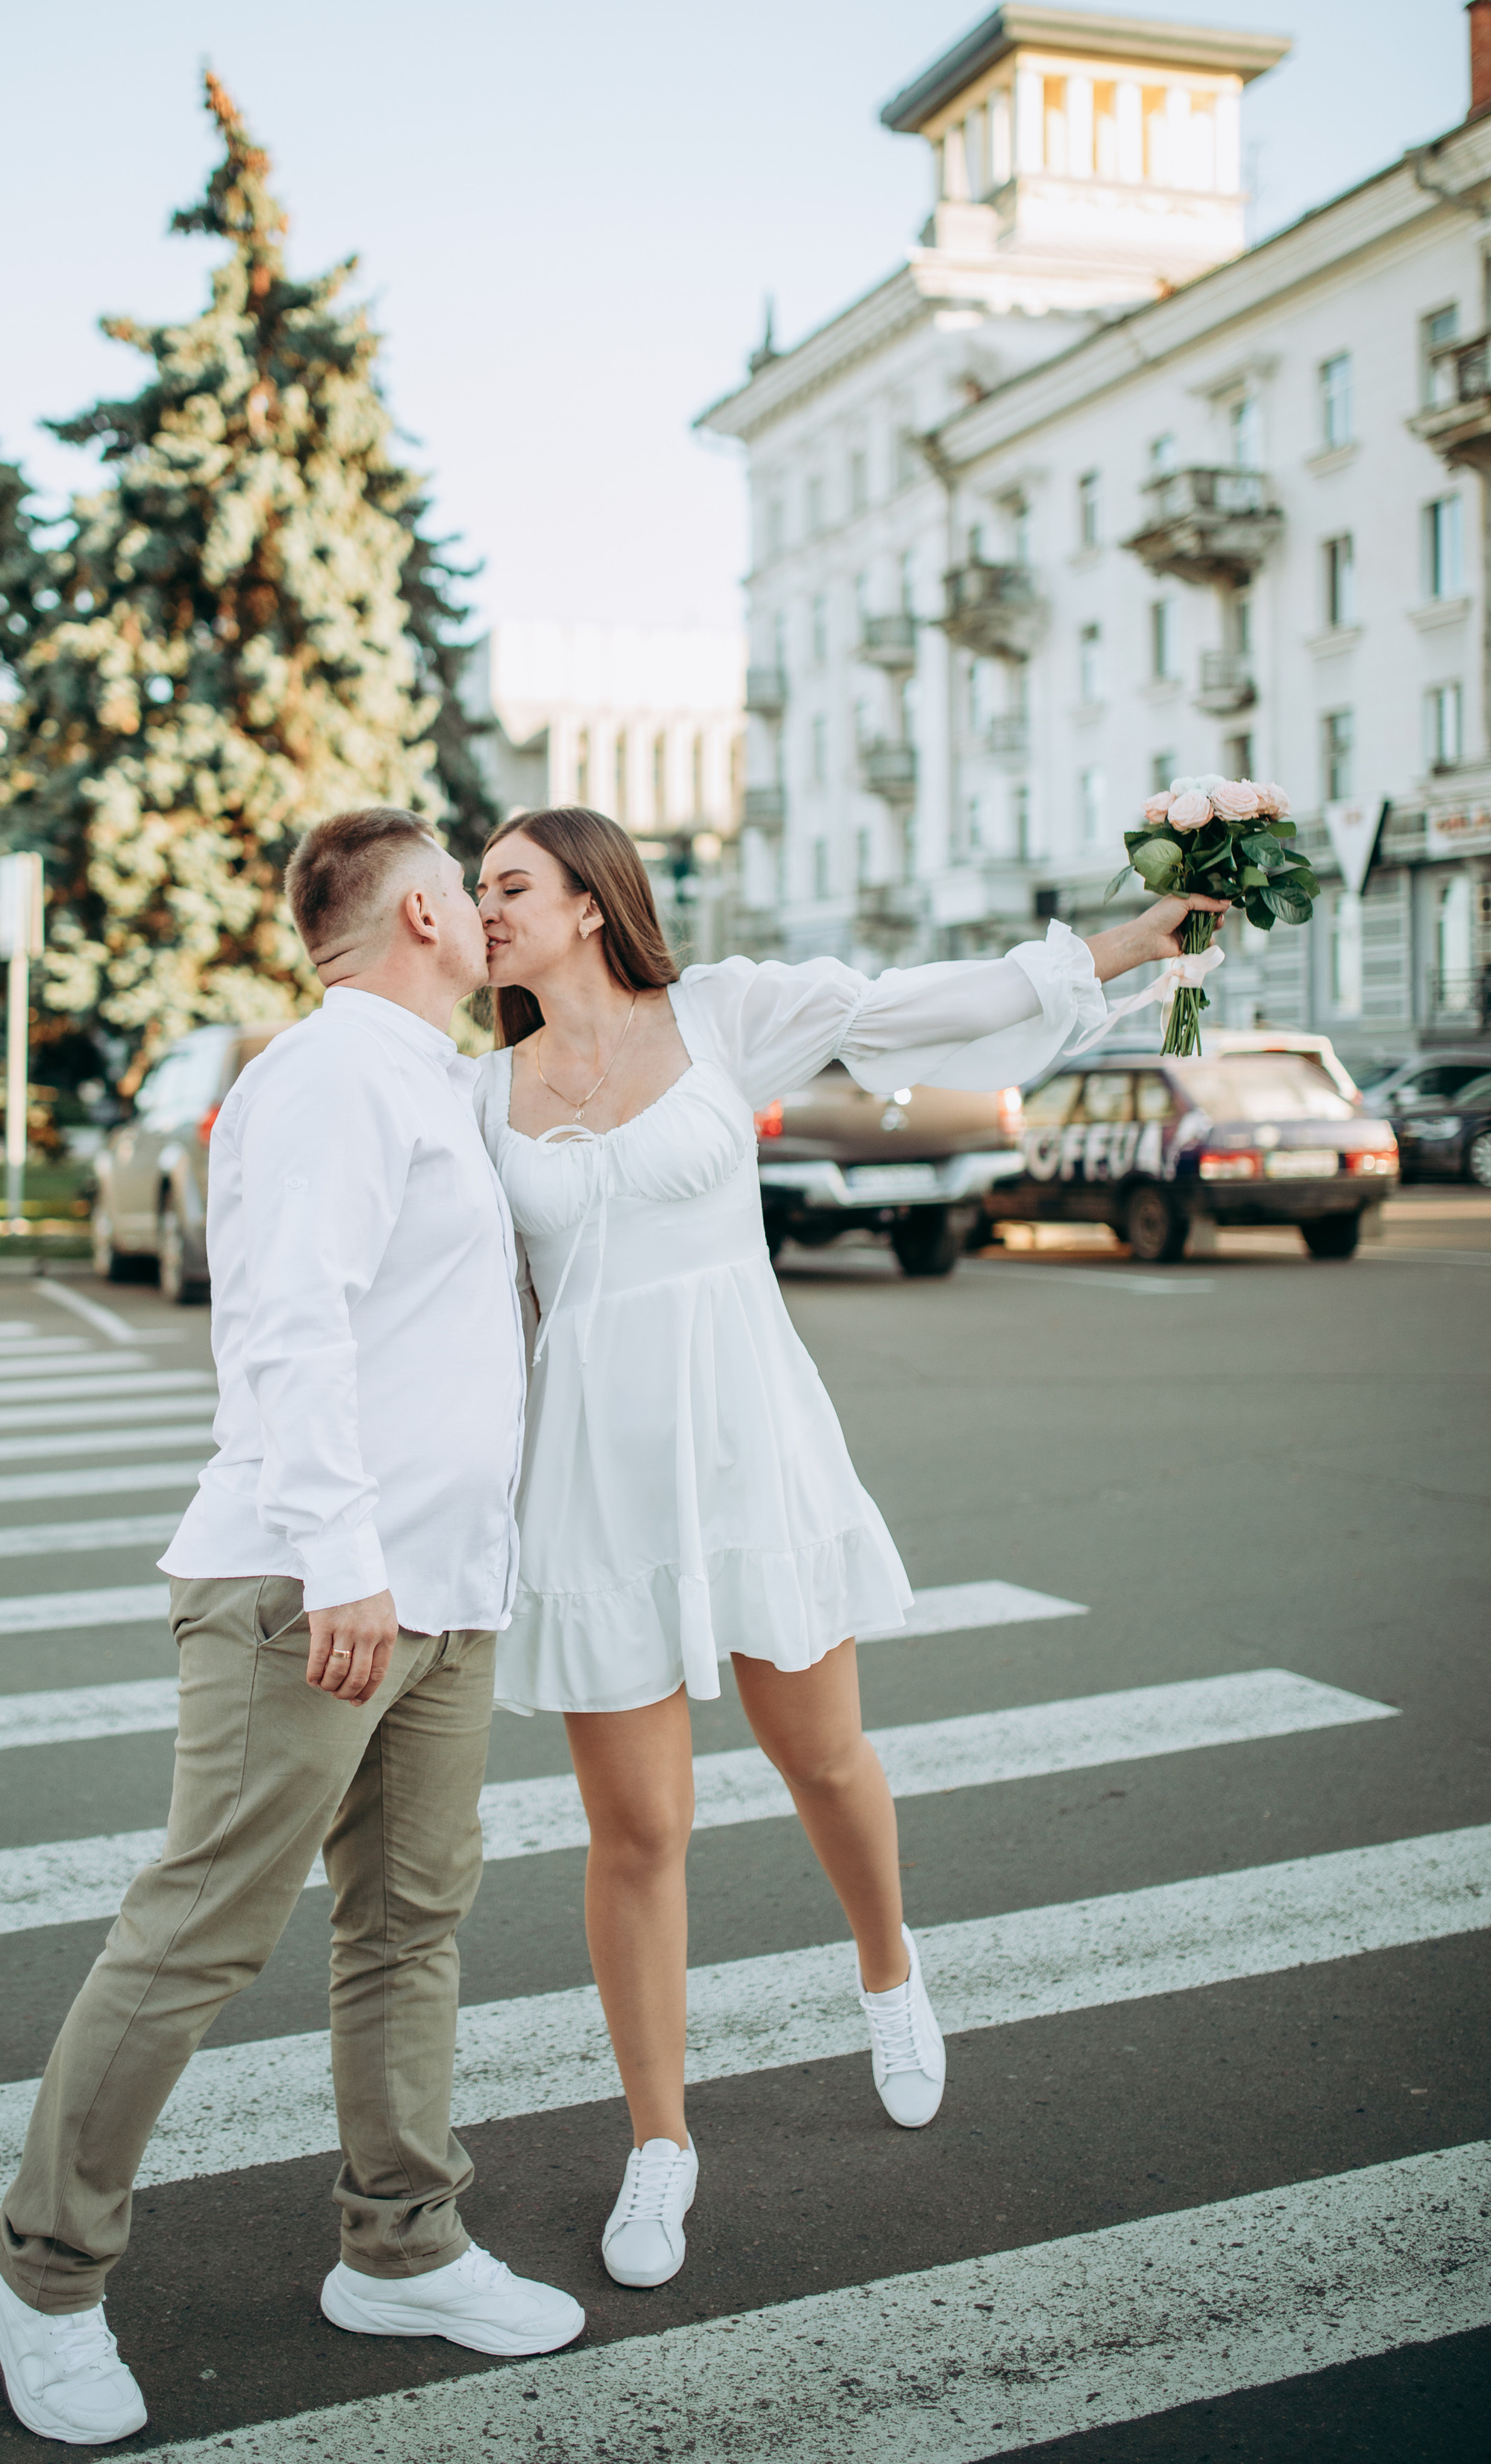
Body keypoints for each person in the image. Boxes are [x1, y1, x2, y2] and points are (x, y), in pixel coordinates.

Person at [472, 806, 1205, 2295]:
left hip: (750, 1447)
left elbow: (912, 1007)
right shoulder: (477, 1097)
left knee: (820, 1758)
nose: (478, 907)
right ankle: (659, 2145)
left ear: (590, 905)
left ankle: (886, 1970)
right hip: (595, 1489)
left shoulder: (720, 1016)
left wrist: (1109, 947)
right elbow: (470, 1316)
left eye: (506, 885)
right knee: (637, 1835)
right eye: (477, 887)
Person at [0, 808, 584, 2448]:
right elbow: (285, 1330)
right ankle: (38, 2269)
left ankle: (401, 2245)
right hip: (311, 1589)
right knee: (194, 1938)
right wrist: (341, 1558)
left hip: (438, 1591)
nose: (484, 910)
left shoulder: (431, 1080)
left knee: (405, 1929)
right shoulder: (328, 1078)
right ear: (424, 916)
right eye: (467, 887)